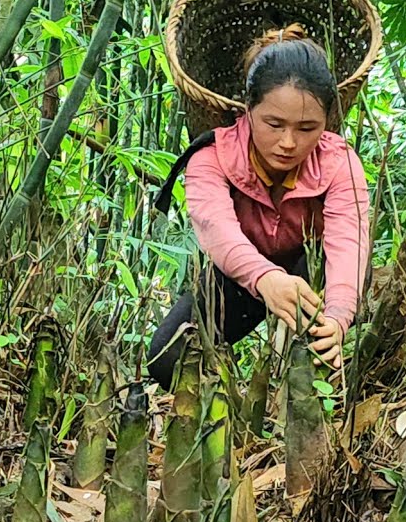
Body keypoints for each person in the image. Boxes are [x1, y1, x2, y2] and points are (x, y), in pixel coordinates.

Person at [147, 24, 371, 391]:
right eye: (274, 124)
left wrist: (338, 317)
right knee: (166, 358)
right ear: (248, 109)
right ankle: (230, 409)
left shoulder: (340, 162)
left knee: (324, 359)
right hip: (239, 276)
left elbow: (349, 245)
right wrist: (265, 279)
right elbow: (217, 232)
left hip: (312, 270)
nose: (288, 142)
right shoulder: (211, 157)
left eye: (306, 128)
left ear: (327, 122)